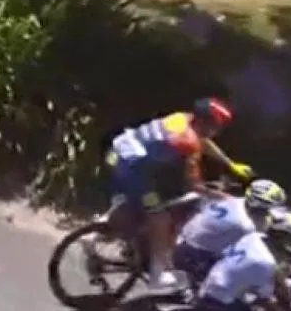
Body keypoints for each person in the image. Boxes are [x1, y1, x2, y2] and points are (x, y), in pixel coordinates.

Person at [105, 97, 254, 290]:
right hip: (129, 167)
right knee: (160, 216)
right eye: (217, 127)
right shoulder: (187, 140)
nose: (218, 132)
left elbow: (203, 141)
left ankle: (104, 227)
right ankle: (157, 274)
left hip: (120, 151)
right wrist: (227, 198)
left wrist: (230, 164)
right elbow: (195, 185)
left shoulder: (183, 118)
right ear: (205, 122)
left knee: (161, 195)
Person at [173, 178, 288, 286]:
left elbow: (208, 192)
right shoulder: (245, 225)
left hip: (183, 238)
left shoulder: (233, 200)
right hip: (194, 255)